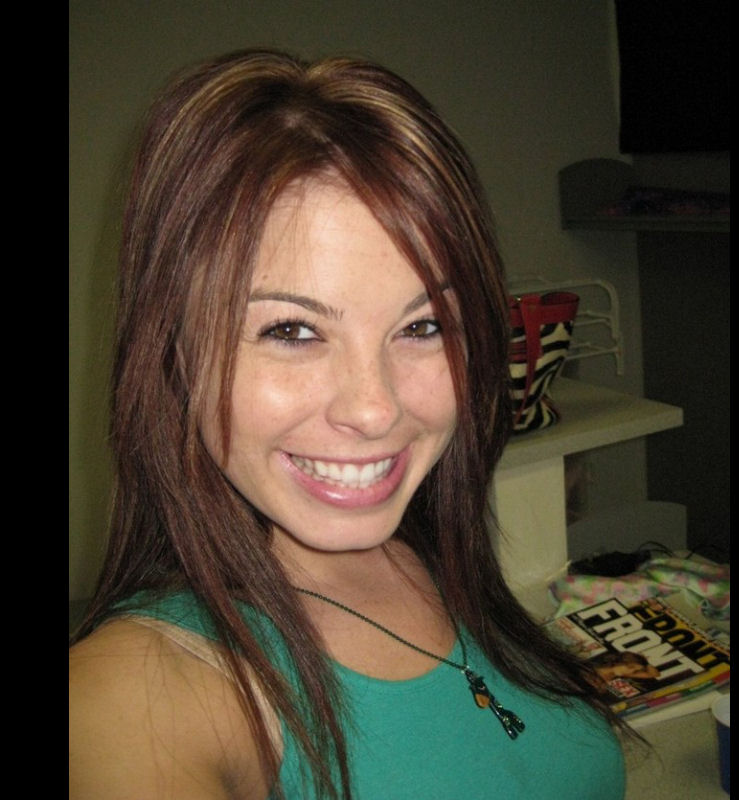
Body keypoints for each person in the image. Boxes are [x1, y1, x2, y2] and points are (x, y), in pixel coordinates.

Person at [69, 48, 630, 799]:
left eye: (424, 325)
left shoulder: (427, 547)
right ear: (174, 353)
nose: (375, 409)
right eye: (292, 331)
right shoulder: (131, 693)